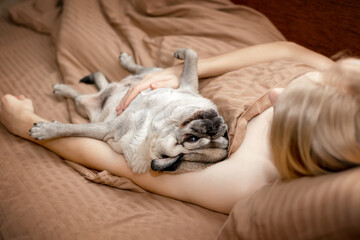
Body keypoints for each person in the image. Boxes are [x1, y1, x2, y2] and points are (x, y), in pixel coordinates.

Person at [1, 42, 359, 214]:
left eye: (286, 107)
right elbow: (292, 52)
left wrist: (28, 125)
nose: (275, 92)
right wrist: (181, 72)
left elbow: (129, 165)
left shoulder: (242, 182)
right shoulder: (344, 87)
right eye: (309, 82)